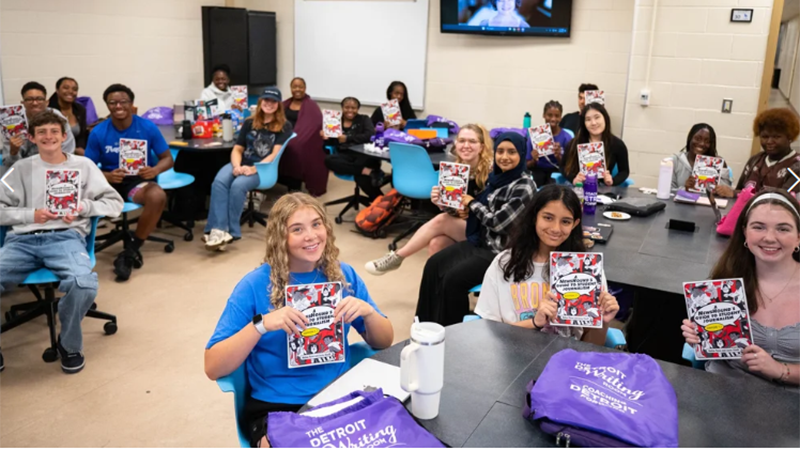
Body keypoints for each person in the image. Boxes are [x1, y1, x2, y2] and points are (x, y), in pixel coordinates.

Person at [204, 193, 394, 447]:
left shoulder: (342, 275)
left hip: (337, 396)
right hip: (277, 406)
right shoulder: (253, 285)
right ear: (280, 238)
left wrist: (367, 312)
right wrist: (262, 325)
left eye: (317, 224)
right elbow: (213, 366)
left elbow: (384, 340)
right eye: (297, 229)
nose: (311, 236)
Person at [0, 110, 123, 374]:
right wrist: (30, 214)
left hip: (66, 238)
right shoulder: (19, 169)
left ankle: (68, 344)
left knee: (83, 283)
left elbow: (114, 203)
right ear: (32, 137)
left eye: (54, 131)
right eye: (41, 132)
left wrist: (82, 207)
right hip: (22, 240)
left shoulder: (84, 166)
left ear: (64, 136)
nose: (48, 136)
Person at [681, 188, 800, 390]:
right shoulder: (726, 281)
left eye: (783, 229)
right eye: (759, 227)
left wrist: (780, 370)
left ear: (799, 236)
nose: (770, 238)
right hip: (724, 392)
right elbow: (716, 347)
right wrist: (701, 339)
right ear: (744, 232)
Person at [415, 132, 536, 326]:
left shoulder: (524, 185)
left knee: (453, 281)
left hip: (502, 252)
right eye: (501, 151)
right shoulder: (496, 178)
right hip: (481, 242)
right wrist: (446, 201)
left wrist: (472, 205)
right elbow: (473, 210)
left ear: (522, 154)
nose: (505, 157)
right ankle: (425, 325)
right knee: (433, 265)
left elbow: (498, 223)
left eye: (511, 152)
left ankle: (452, 334)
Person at [475, 185, 619, 345]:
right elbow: (488, 336)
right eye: (548, 218)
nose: (556, 229)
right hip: (511, 361)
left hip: (565, 362)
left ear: (575, 224)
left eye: (565, 221)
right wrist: (534, 323)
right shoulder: (504, 263)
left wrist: (603, 321)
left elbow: (591, 349)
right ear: (534, 217)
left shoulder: (587, 269)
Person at [365, 124, 494, 275]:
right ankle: (436, 292)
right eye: (461, 141)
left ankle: (398, 256)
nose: (466, 146)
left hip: (488, 232)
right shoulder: (455, 170)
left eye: (472, 141)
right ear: (456, 144)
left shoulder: (492, 172)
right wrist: (442, 202)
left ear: (482, 147)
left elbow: (492, 214)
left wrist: (469, 205)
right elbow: (455, 212)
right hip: (467, 227)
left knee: (442, 220)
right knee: (436, 243)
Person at [84, 84, 173, 282]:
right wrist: (106, 175)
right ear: (107, 105)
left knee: (157, 195)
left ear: (131, 104)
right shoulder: (98, 132)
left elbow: (167, 158)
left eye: (123, 102)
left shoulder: (147, 127)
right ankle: (76, 255)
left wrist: (155, 169)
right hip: (108, 183)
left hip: (137, 183)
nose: (118, 106)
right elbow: (86, 167)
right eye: (112, 103)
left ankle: (130, 252)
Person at [204, 87, 294, 251]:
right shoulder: (249, 122)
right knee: (219, 182)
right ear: (260, 102)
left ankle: (231, 231)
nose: (269, 104)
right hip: (241, 162)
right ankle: (217, 229)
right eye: (266, 100)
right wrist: (237, 166)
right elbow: (238, 149)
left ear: (279, 105)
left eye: (273, 101)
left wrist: (253, 169)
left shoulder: (284, 126)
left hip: (263, 169)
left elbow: (274, 154)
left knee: (238, 185)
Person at [716, 108, 800, 197]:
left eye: (776, 137)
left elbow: (780, 198)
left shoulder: (796, 166)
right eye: (765, 136)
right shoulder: (755, 160)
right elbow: (740, 190)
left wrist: (735, 194)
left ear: (790, 137)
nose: (769, 141)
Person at [2, 81, 76, 174]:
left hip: (56, 170)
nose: (35, 103)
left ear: (47, 102)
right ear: (23, 103)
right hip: (24, 172)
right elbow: (9, 165)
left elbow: (68, 151)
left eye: (39, 99)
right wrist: (13, 153)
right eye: (29, 99)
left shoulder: (57, 118)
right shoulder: (12, 123)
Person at [321, 97, 382, 199]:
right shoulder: (334, 121)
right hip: (345, 155)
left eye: (353, 108)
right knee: (328, 160)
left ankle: (379, 199)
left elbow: (370, 135)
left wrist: (348, 138)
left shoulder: (364, 119)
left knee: (361, 178)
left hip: (363, 153)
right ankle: (367, 172)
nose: (350, 110)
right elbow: (330, 144)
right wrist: (326, 137)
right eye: (347, 107)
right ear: (342, 108)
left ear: (358, 109)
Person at [561, 102, 630, 186]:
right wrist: (574, 179)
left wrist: (612, 180)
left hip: (604, 189)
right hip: (579, 188)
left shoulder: (617, 144)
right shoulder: (574, 143)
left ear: (605, 118)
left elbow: (624, 171)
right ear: (584, 124)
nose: (593, 123)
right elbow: (563, 167)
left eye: (597, 117)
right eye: (588, 119)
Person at [279, 77, 326, 196]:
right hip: (284, 135)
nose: (297, 89)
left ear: (305, 88)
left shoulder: (311, 106)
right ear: (291, 88)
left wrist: (295, 139)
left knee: (294, 148)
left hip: (301, 139)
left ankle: (294, 184)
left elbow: (314, 126)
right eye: (294, 87)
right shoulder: (285, 104)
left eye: (300, 87)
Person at [671, 123, 732, 195]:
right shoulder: (675, 161)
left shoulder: (717, 163)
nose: (702, 143)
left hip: (708, 205)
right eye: (697, 139)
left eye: (707, 141)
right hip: (680, 205)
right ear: (690, 138)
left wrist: (716, 185)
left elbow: (727, 193)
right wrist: (685, 189)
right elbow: (669, 192)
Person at [527, 100, 573, 187]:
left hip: (556, 171)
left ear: (561, 118)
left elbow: (570, 167)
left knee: (552, 188)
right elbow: (527, 165)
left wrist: (559, 157)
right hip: (538, 170)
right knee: (534, 183)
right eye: (549, 115)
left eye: (557, 116)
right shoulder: (535, 136)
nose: (553, 119)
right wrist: (534, 160)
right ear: (544, 115)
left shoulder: (567, 137)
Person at [48, 77, 89, 155]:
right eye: (66, 88)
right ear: (57, 90)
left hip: (76, 155)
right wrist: (74, 149)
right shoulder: (50, 111)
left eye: (74, 89)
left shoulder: (80, 109)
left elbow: (82, 134)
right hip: (54, 153)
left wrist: (80, 148)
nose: (70, 91)